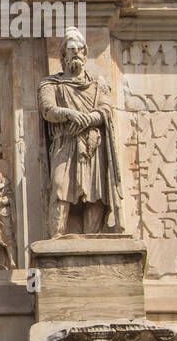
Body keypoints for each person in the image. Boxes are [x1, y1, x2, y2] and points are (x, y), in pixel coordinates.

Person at [38, 27, 123, 235]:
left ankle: (92, 236)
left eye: (79, 49)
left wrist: (88, 119)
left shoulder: (98, 84)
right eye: (71, 49)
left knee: (95, 192)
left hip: (92, 144)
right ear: (64, 55)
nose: (75, 52)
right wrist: (70, 114)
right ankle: (56, 236)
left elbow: (105, 109)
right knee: (59, 187)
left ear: (85, 53)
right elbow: (47, 109)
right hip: (64, 143)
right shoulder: (50, 84)